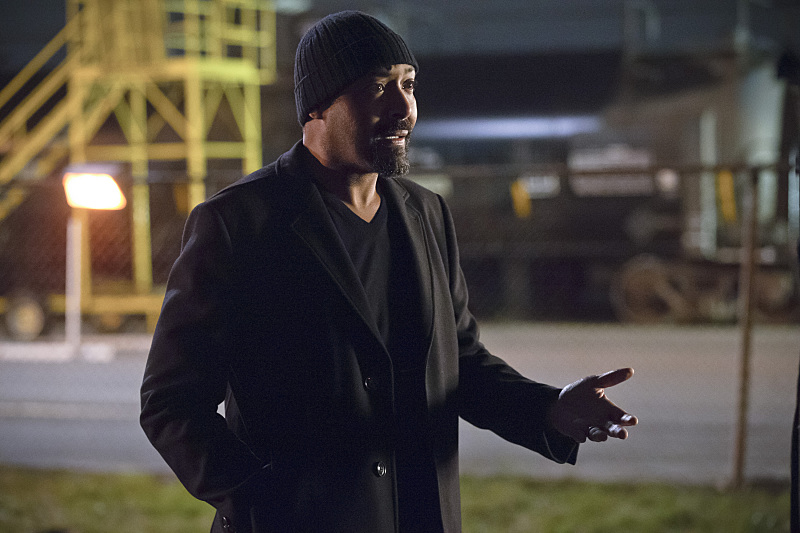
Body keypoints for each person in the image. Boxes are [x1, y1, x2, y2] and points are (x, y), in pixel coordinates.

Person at [140, 10, 638, 533]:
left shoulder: (427, 213)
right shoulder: (240, 223)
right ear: (317, 106)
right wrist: (262, 503)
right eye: (377, 88)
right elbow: (171, 403)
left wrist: (548, 409)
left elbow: (460, 363)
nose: (403, 108)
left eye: (409, 84)